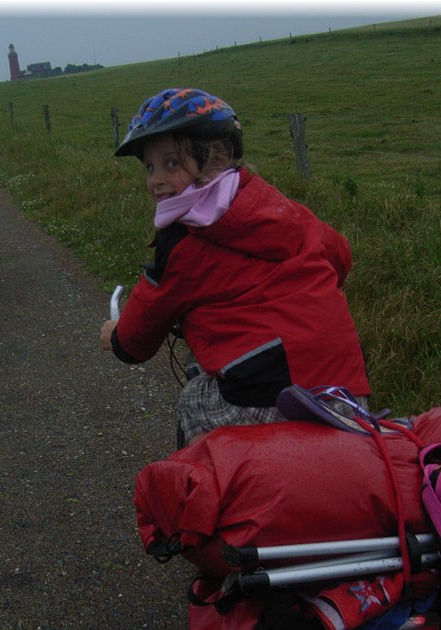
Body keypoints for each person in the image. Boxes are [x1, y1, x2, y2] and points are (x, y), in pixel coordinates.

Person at [99, 87, 371, 445]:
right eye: (150, 167)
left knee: (194, 400)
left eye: (170, 163)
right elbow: (340, 257)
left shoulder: (183, 241)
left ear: (214, 158)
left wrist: (116, 338)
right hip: (347, 395)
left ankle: (203, 495)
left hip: (273, 398)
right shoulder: (275, 204)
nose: (155, 180)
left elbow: (141, 333)